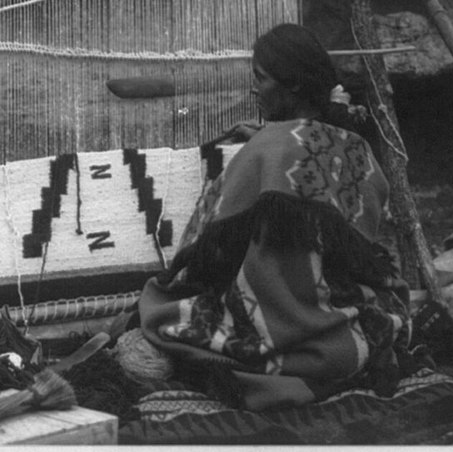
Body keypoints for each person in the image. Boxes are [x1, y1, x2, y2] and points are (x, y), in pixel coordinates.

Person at [136, 22, 421, 411]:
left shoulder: (266, 148)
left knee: (164, 313)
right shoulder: (358, 148)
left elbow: (205, 246)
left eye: (261, 78)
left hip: (281, 328)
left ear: (295, 87)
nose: (255, 89)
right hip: (349, 331)